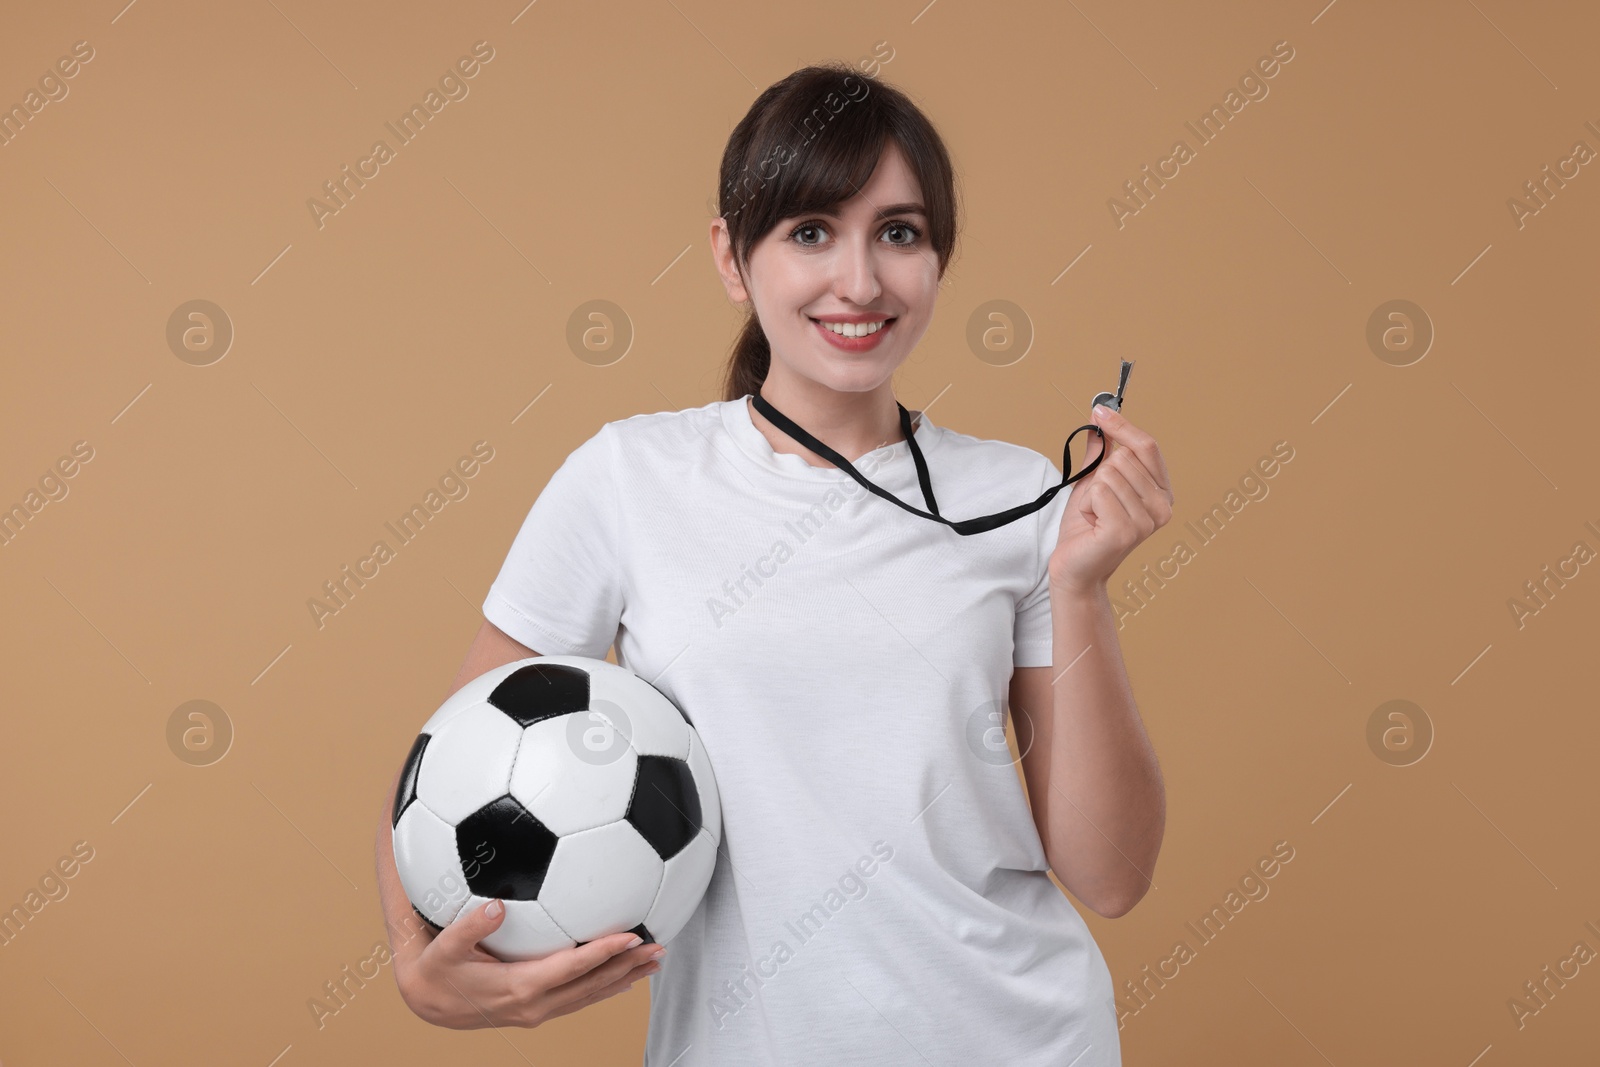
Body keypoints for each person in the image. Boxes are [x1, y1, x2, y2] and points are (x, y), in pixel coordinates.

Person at [374, 63, 1172, 1063]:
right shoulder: (629, 477)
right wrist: (416, 958)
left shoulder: (1013, 495)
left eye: (899, 232)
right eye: (809, 232)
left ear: (938, 257)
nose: (860, 281)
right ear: (730, 256)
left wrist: (1081, 584)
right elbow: (451, 763)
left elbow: (1111, 875)